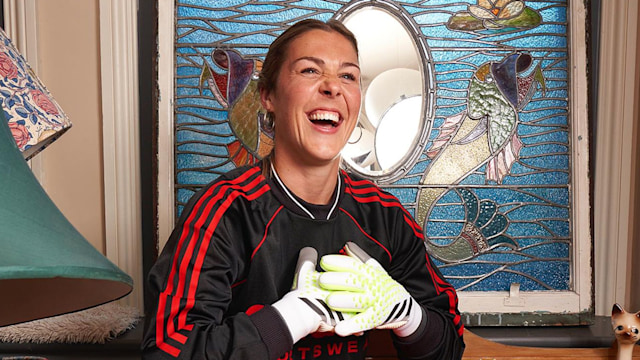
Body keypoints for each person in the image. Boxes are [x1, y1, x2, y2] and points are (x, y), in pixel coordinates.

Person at [142, 19, 465, 360]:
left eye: (348, 76)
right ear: (268, 96)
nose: (332, 87)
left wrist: (408, 316)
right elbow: (167, 350)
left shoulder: (385, 217)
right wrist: (289, 318)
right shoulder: (225, 211)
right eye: (310, 70)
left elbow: (449, 345)